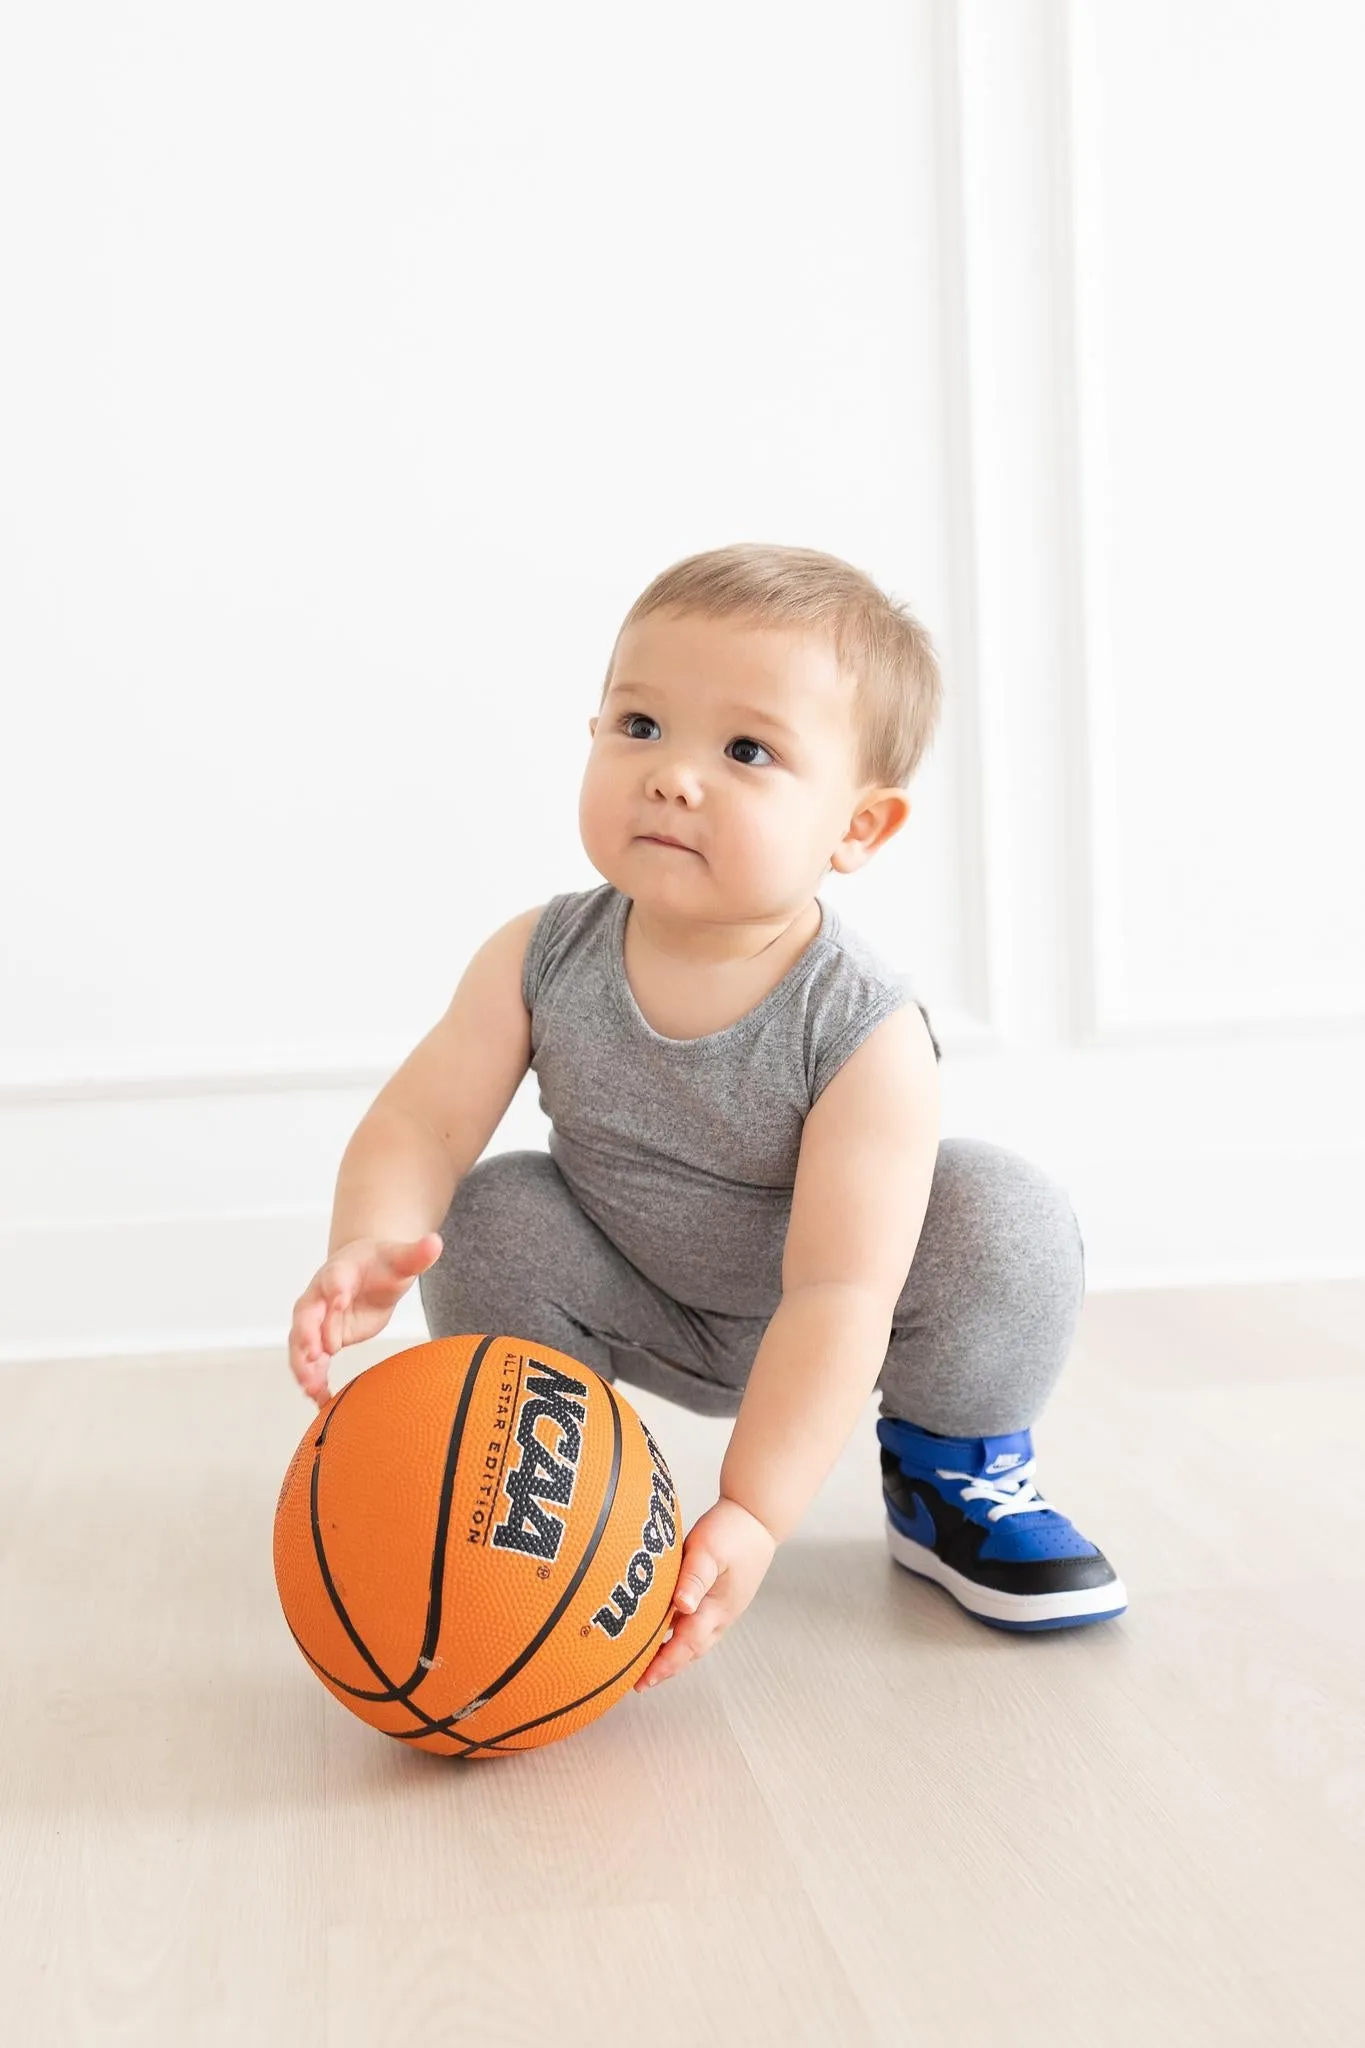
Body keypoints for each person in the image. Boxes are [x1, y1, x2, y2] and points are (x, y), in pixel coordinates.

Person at [287, 542, 1126, 1692]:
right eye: (639, 725)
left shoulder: (862, 1027)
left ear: (860, 828)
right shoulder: (540, 955)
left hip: (831, 1306)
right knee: (488, 1211)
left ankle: (948, 1468)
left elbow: (841, 1290)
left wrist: (754, 1511)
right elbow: (423, 1121)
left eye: (746, 750)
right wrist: (370, 1239)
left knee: (1002, 1213)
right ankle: (545, 1485)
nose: (674, 775)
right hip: (636, 1288)